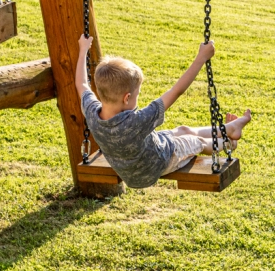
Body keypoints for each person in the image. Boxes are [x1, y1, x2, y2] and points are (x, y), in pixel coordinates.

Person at [75, 35, 253, 189]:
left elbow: (81, 84)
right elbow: (176, 91)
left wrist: (83, 50)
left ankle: (229, 128)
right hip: (158, 163)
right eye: (138, 94)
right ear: (126, 97)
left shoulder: (92, 111)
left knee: (183, 130)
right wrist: (201, 58)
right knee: (195, 141)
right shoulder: (137, 121)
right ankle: (228, 143)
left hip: (133, 167)